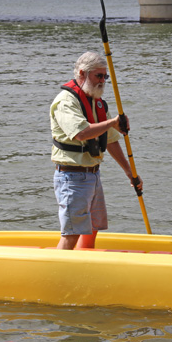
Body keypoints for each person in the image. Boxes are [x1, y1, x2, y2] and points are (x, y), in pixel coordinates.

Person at [50, 51, 143, 250]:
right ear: (82, 74)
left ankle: (85, 263)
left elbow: (110, 141)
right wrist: (113, 122)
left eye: (105, 76)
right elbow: (81, 133)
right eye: (98, 76)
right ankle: (58, 274)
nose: (103, 81)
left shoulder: (97, 101)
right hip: (71, 177)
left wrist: (131, 174)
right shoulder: (66, 101)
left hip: (92, 175)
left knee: (92, 228)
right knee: (72, 232)